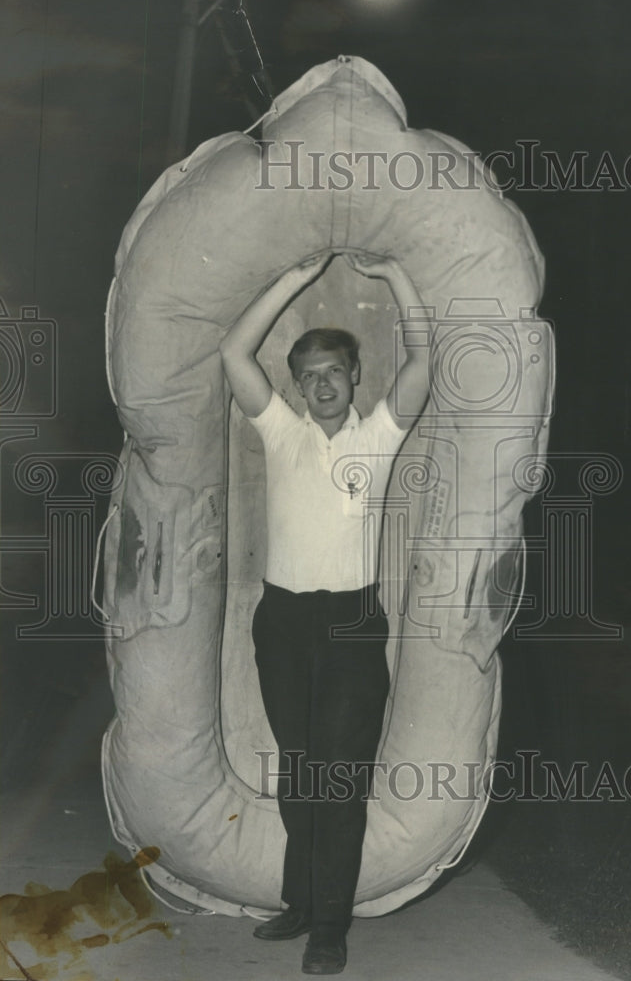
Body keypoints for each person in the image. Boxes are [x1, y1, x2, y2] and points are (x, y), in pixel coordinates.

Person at [220, 249, 432, 975]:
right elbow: (233, 351)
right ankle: (302, 902)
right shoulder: (280, 432)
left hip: (350, 625)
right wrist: (291, 281)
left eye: (333, 371)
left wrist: (395, 278)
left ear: (355, 376)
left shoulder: (379, 439)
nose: (321, 385)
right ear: (298, 389)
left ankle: (330, 928)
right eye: (308, 377)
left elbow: (424, 363)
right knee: (300, 769)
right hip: (280, 623)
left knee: (338, 778)